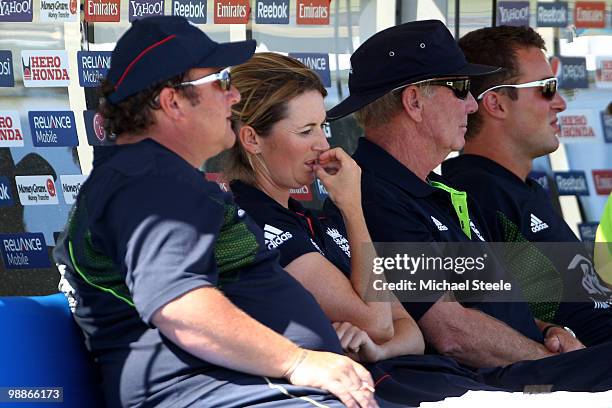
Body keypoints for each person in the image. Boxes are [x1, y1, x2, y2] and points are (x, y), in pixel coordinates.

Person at [52, 16, 378, 408]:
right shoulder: (148, 178)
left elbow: (403, 323)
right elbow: (180, 306)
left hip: (275, 389)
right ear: (173, 102)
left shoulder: (158, 176)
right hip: (234, 392)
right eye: (221, 83)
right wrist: (299, 360)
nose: (233, 97)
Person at [326, 19, 612, 392]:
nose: (472, 104)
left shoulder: (438, 190)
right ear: (414, 101)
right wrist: (558, 362)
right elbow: (450, 331)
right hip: (488, 385)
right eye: (460, 89)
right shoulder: (374, 195)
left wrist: (550, 329)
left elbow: (491, 302)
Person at [226, 52, 507, 406]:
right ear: (252, 140)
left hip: (404, 382)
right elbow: (379, 321)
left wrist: (376, 349)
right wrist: (353, 207)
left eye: (323, 128)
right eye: (306, 131)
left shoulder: (310, 219)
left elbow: (409, 329)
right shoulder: (255, 220)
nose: (323, 145)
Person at [440, 25, 612, 346]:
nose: (560, 102)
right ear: (497, 104)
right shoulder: (476, 193)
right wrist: (553, 336)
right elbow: (489, 316)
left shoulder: (522, 188)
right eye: (547, 88)